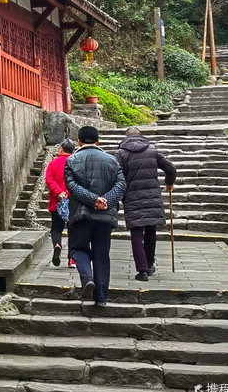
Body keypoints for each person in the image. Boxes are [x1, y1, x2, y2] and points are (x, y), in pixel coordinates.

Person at [64, 125, 126, 306]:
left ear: (79, 142)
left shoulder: (72, 160)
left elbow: (72, 186)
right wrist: (105, 200)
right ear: (98, 141)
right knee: (101, 255)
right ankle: (101, 298)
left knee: (77, 249)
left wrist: (92, 200)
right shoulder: (112, 161)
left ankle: (87, 278)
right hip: (105, 216)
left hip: (81, 215)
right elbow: (121, 185)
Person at [115, 126, 176, 282]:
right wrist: (169, 183)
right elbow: (170, 168)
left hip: (132, 198)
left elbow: (117, 176)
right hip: (152, 197)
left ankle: (142, 270)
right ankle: (149, 265)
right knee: (151, 231)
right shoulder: (152, 150)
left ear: (126, 137)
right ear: (140, 136)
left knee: (136, 233)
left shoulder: (121, 154)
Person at [44, 138, 76, 267]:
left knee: (56, 228)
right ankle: (72, 259)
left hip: (56, 202)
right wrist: (67, 193)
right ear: (73, 150)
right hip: (72, 202)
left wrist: (58, 192)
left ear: (61, 149)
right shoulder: (75, 163)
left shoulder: (53, 163)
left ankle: (57, 244)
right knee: (73, 230)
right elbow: (76, 181)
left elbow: (48, 179)